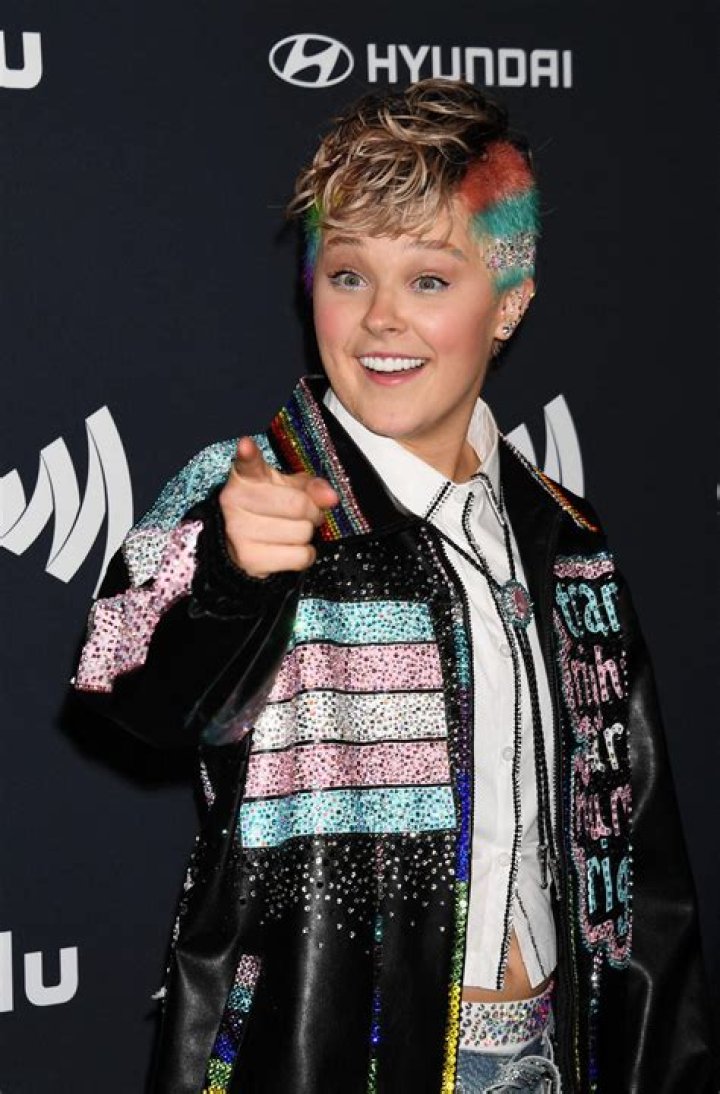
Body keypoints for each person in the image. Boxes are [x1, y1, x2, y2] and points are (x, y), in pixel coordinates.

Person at [73, 80, 715, 1093]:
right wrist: (233, 574)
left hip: (555, 1053)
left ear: (510, 300)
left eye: (427, 279)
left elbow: (636, 865)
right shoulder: (255, 493)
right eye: (348, 273)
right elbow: (132, 689)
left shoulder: (564, 535)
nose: (380, 317)